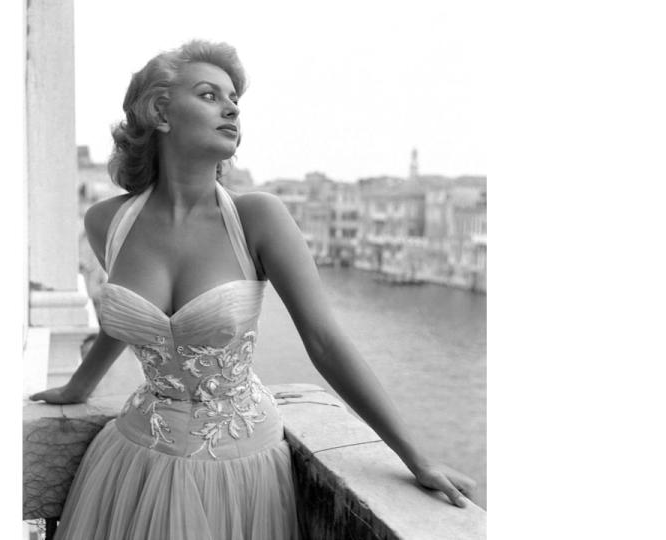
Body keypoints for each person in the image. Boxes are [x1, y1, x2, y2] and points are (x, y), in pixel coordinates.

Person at [30, 39, 475, 540]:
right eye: (209, 94)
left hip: (239, 470)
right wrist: (78, 387)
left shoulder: (258, 217)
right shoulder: (107, 221)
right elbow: (134, 315)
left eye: (234, 100)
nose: (231, 108)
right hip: (133, 461)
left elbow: (325, 342)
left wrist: (415, 455)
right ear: (160, 110)